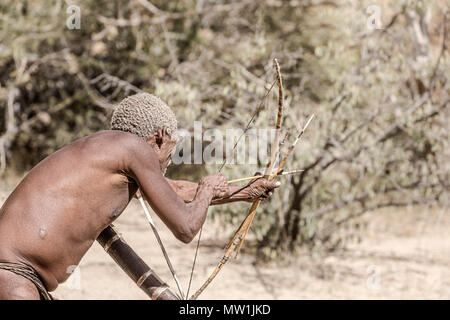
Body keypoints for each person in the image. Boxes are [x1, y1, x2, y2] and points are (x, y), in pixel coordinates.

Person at [0, 93, 280, 299]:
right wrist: (207, 189)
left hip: (18, 276)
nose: (168, 162)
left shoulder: (113, 151)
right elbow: (185, 228)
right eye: (170, 152)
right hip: (12, 274)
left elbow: (175, 191)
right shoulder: (135, 149)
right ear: (159, 136)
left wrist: (245, 191)